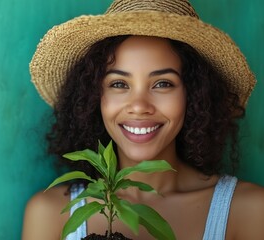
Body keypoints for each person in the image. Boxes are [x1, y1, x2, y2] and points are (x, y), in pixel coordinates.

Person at [22, 0, 264, 239]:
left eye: (162, 84)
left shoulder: (248, 210)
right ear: (93, 96)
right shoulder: (50, 214)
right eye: (119, 84)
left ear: (194, 94)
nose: (139, 106)